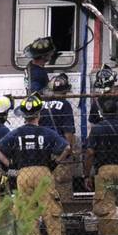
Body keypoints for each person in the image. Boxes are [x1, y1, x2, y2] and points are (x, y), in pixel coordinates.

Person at [0, 94, 71, 235]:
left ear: (23, 115)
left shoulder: (16, 133)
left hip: (23, 174)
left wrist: (10, 165)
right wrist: (55, 162)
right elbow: (67, 147)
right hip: (43, 172)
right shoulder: (47, 132)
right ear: (39, 113)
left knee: (28, 211)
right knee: (51, 210)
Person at [85, 95, 118, 235]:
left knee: (106, 209)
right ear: (117, 112)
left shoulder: (97, 129)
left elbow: (89, 152)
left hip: (104, 170)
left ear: (102, 113)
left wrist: (87, 174)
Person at [40, 73, 76, 205]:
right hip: (61, 150)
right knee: (63, 185)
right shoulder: (65, 104)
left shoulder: (42, 104)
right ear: (65, 91)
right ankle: (64, 215)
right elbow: (68, 131)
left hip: (44, 151)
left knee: (47, 187)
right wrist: (70, 149)